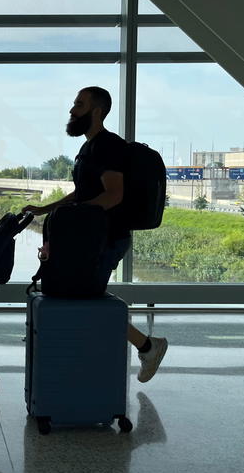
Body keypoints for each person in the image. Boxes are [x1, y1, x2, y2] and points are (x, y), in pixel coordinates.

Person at [22, 86, 168, 383]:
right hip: (91, 238)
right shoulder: (89, 148)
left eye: (79, 104)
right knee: (86, 296)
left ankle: (148, 346)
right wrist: (44, 210)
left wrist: (71, 218)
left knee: (89, 299)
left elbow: (113, 196)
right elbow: (83, 194)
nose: (72, 110)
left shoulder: (107, 146)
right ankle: (139, 347)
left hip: (107, 238)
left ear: (97, 111)